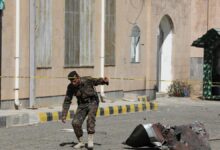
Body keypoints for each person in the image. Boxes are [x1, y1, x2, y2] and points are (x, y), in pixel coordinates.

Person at [61, 71, 109, 149]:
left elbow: (97, 81)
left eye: (74, 81)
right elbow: (67, 100)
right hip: (82, 105)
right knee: (75, 123)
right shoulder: (70, 87)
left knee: (90, 119)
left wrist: (104, 81)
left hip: (93, 102)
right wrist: (64, 114)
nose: (73, 83)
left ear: (78, 77)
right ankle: (81, 142)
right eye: (71, 81)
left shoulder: (87, 80)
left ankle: (90, 140)